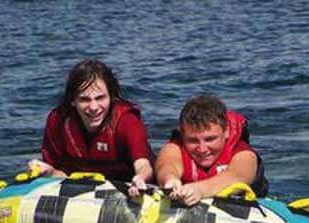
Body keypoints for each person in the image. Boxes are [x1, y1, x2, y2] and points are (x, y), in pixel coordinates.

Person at [29, 59, 154, 196]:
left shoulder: (127, 122)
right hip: (82, 191)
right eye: (84, 99)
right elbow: (61, 174)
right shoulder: (58, 121)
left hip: (127, 187)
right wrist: (49, 172)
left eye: (100, 98)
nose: (93, 107)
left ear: (111, 97)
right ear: (72, 101)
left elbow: (143, 165)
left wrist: (140, 177)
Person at [155, 94, 269, 206]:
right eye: (193, 141)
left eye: (210, 139)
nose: (202, 149)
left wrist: (199, 190)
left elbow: (237, 176)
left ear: (226, 132)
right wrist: (170, 180)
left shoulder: (244, 153)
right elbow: (168, 164)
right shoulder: (174, 148)